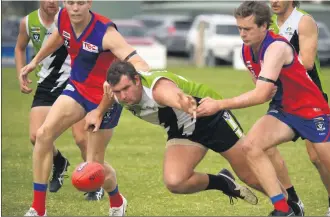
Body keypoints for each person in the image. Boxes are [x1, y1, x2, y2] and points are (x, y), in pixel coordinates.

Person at [196, 1, 330, 216]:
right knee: (251, 146)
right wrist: (265, 88)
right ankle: (285, 209)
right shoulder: (247, 50)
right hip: (284, 110)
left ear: (264, 26)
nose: (242, 34)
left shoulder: (277, 47)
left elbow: (261, 93)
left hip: (311, 111)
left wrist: (219, 104)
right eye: (239, 28)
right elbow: (263, 90)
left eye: (248, 29)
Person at [85, 61, 307, 215]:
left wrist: (183, 102)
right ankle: (222, 182)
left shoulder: (156, 88)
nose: (123, 96)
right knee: (175, 181)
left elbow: (172, 94)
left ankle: (291, 207)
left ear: (136, 79)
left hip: (211, 117)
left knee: (250, 176)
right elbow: (109, 97)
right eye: (118, 92)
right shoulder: (115, 91)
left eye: (126, 89)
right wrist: (98, 112)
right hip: (182, 129)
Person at [21, 1, 149, 216]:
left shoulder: (105, 32)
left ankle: (117, 200)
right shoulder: (63, 17)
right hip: (77, 89)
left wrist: (144, 81)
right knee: (43, 135)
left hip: (104, 98)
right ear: (65, 3)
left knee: (94, 168)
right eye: (71, 2)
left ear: (89, 2)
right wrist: (35, 61)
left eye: (81, 2)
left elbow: (138, 61)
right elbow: (60, 36)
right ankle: (38, 210)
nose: (76, 8)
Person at [14, 0, 106, 200]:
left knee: (82, 138)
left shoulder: (71, 16)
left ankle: (94, 182)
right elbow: (20, 47)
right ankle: (59, 161)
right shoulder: (28, 22)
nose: (51, 2)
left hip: (74, 81)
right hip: (47, 83)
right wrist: (23, 69)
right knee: (37, 136)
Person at [269, 0, 330, 215]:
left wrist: (272, 72)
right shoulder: (269, 24)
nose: (273, 1)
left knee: (318, 158)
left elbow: (307, 61)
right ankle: (293, 202)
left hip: (309, 98)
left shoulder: (304, 21)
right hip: (283, 98)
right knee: (260, 145)